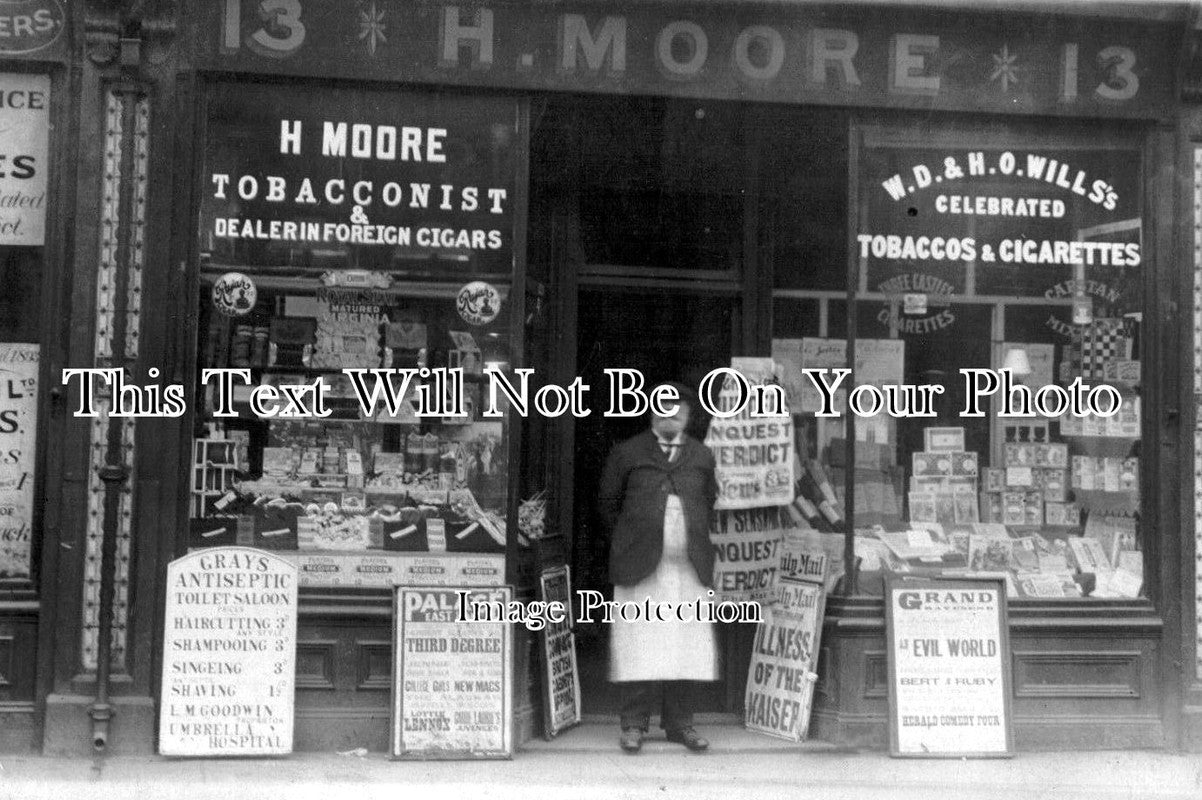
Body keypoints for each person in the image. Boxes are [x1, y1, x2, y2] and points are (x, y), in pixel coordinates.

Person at [597, 383, 719, 754]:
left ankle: (681, 724)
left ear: (687, 415)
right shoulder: (627, 452)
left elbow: (710, 501)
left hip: (688, 568)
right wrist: (635, 541)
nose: (671, 415)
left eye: (678, 409)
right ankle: (634, 724)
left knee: (685, 646)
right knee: (640, 645)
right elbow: (607, 505)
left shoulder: (701, 455)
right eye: (664, 407)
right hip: (641, 568)